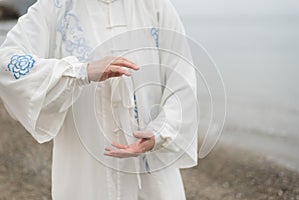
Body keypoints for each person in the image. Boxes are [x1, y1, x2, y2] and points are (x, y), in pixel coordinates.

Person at [0, 0, 198, 199]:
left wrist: (161, 133)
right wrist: (80, 72)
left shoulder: (155, 6)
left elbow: (182, 80)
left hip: (152, 173)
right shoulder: (55, 7)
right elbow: (6, 63)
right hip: (83, 168)